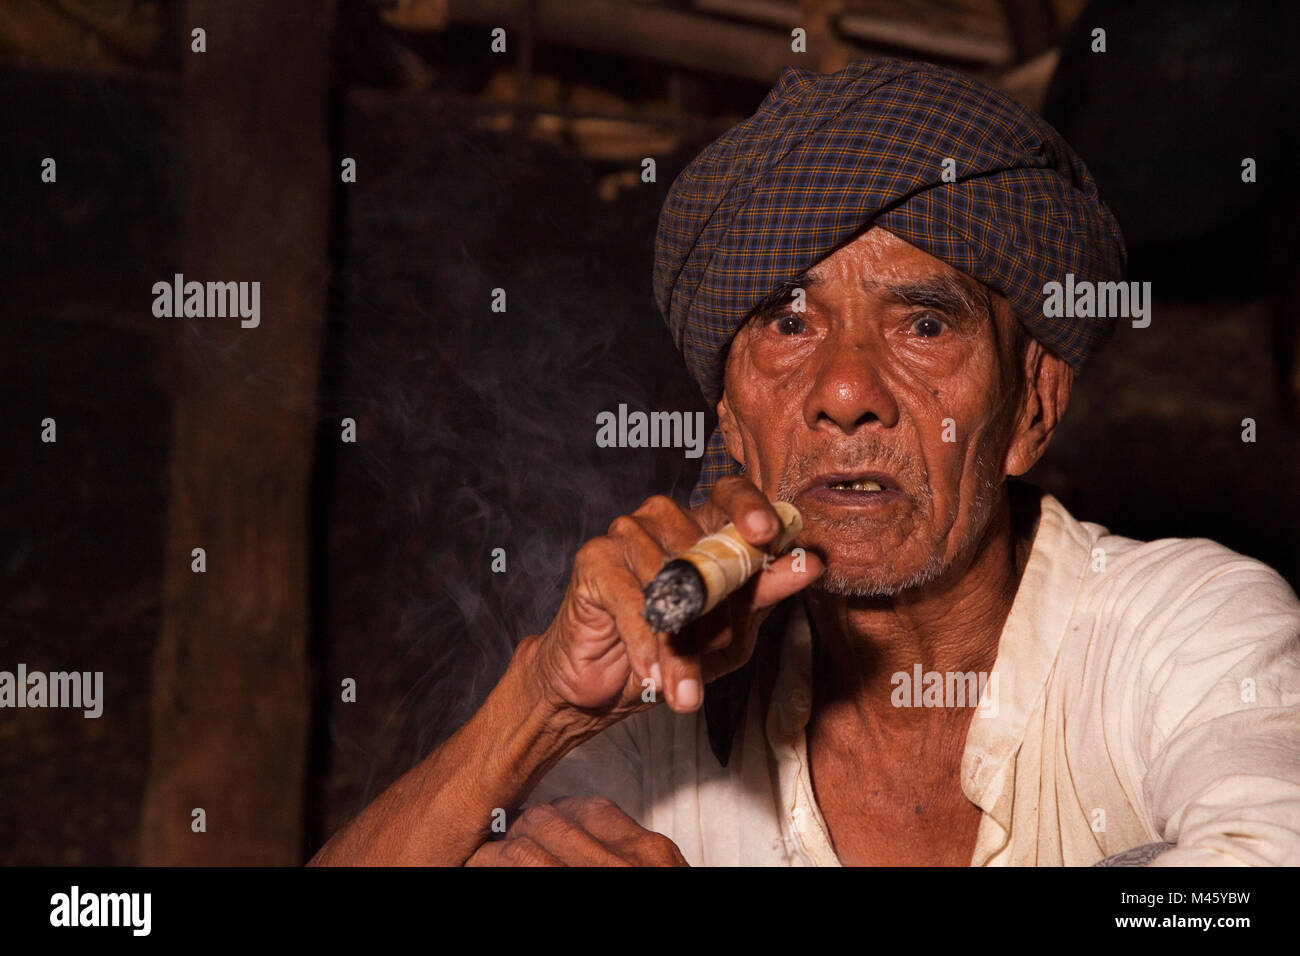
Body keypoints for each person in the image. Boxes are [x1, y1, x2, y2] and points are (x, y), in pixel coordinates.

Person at [310, 56, 1300, 867]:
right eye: (788, 322)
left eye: (921, 323)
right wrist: (538, 710)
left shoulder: (1187, 632)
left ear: (1030, 407)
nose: (842, 389)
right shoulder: (667, 713)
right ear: (734, 421)